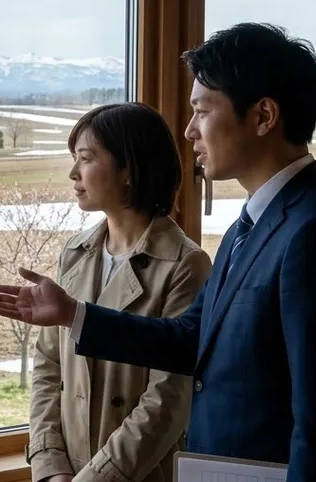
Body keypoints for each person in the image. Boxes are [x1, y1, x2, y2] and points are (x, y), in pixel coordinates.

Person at [0, 23, 316, 482]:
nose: (188, 131)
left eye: (202, 111)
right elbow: (188, 340)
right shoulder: (253, 224)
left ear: (263, 116)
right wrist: (73, 315)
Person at [29, 102, 211, 482]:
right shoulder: (74, 253)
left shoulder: (186, 265)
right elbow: (49, 365)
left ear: (128, 169)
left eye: (86, 158)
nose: (73, 173)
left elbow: (168, 401)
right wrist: (51, 466)